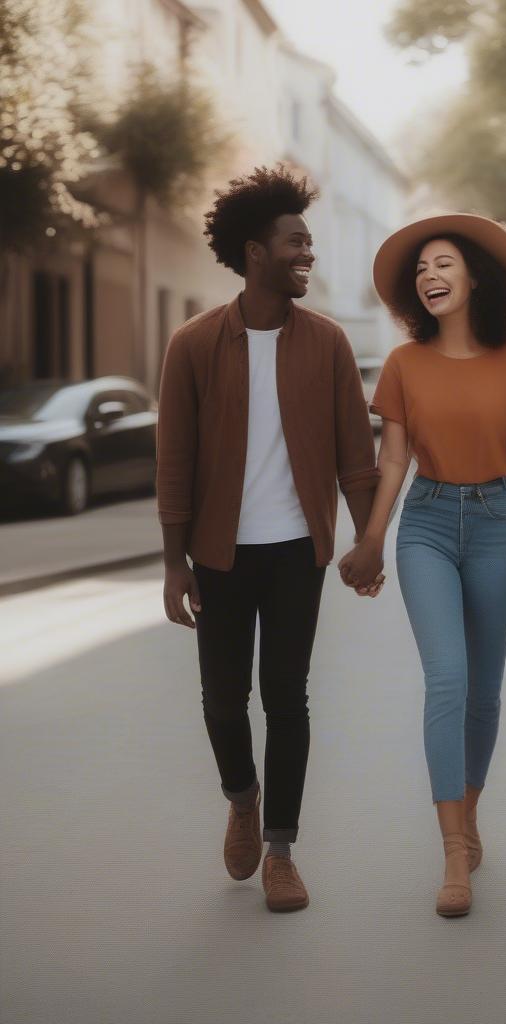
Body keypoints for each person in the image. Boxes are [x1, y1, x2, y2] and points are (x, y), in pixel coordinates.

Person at [157, 166, 379, 913]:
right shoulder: (193, 344)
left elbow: (357, 456)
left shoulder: (329, 344)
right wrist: (171, 562)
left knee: (287, 698)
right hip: (218, 554)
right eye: (296, 242)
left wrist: (368, 539)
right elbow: (176, 459)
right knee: (223, 700)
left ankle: (281, 850)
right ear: (256, 253)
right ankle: (242, 797)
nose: (308, 253)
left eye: (310, 241)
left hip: (296, 552)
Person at [339, 214, 506, 917]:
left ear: (475, 277)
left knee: (485, 691)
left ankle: (469, 816)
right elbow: (395, 458)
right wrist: (373, 538)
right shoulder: (406, 364)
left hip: (498, 524)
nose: (430, 277)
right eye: (420, 270)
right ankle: (451, 851)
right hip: (428, 526)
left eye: (442, 264)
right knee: (447, 676)